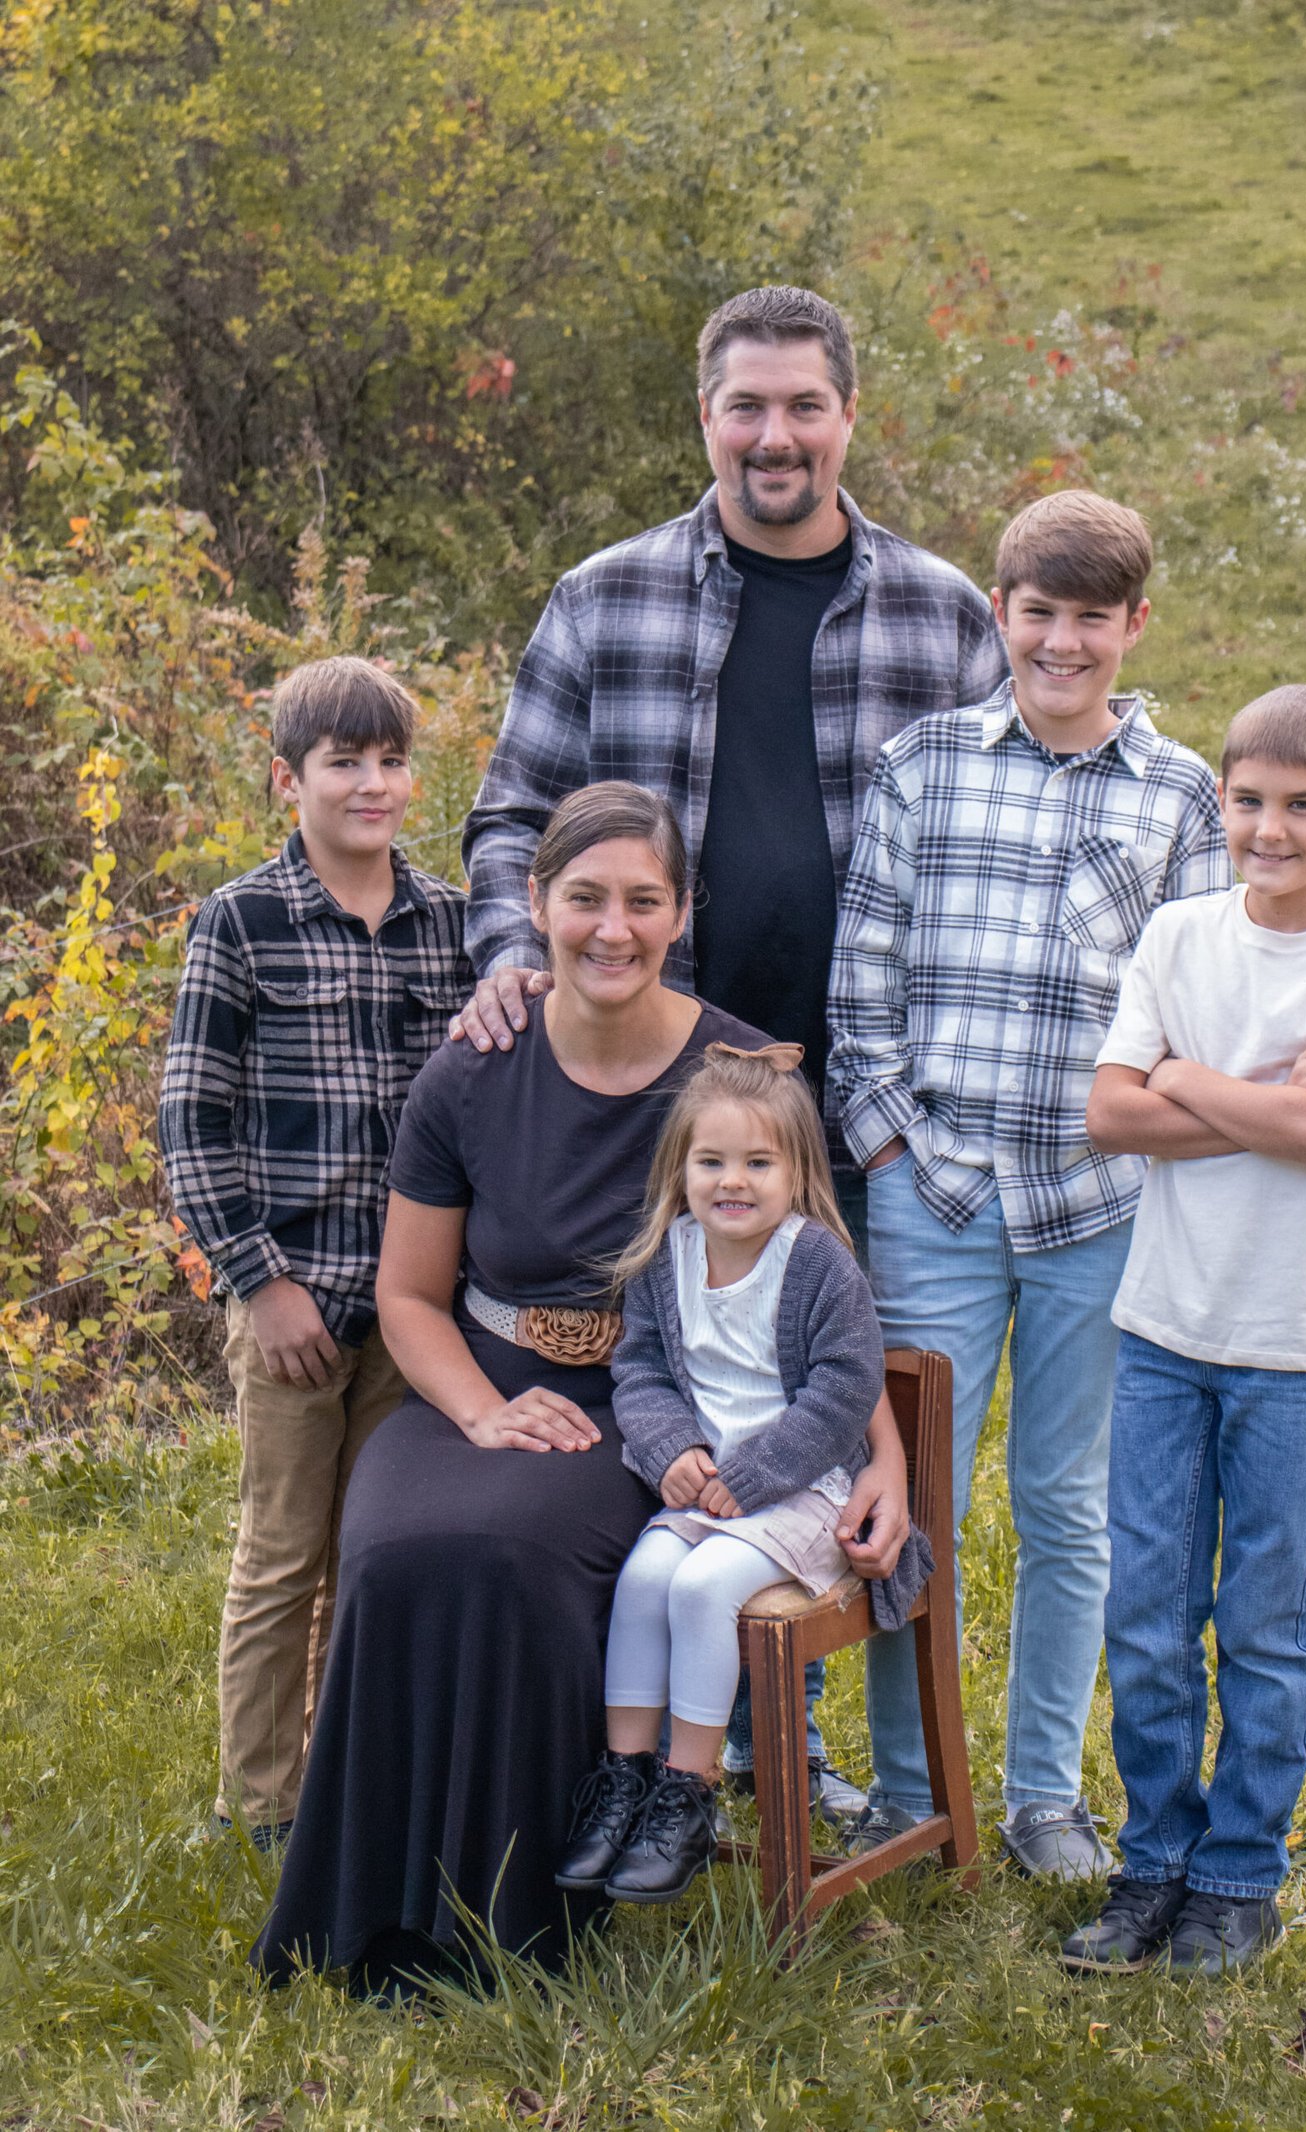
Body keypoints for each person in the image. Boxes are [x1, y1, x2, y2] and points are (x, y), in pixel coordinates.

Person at [453, 283, 1006, 1810]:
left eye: (803, 406)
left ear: (849, 415)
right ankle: (701, 1740)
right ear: (704, 417)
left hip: (880, 1101)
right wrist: (516, 959)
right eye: (745, 407)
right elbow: (508, 817)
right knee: (695, 1394)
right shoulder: (604, 598)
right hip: (669, 1110)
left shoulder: (943, 614)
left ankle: (854, 1759)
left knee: (856, 1405)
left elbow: (1007, 838)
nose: (776, 436)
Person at [249, 784, 909, 1993]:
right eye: (585, 898)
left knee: (514, 1551)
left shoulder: (741, 1076)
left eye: (642, 901)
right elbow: (408, 1295)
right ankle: (372, 1905)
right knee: (397, 1545)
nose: (612, 928)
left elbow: (826, 1285)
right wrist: (481, 1409)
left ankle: (527, 1905)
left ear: (680, 911)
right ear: (537, 904)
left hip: (670, 1408)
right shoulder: (473, 1068)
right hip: (482, 1377)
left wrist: (887, 1455)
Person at [828, 489, 1231, 1879]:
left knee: (1068, 1505)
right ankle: (903, 1782)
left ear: (1133, 628)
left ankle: (1043, 1794)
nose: (1062, 644)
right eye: (1038, 615)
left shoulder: (1179, 800)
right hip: (930, 1196)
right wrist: (889, 1147)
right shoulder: (922, 765)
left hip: (1094, 1209)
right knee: (905, 1504)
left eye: (1091, 621)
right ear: (999, 615)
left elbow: (1197, 1015)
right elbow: (862, 983)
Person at [1064, 685, 1306, 1976]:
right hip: (1164, 1327)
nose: (1269, 830)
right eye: (1249, 801)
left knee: (1262, 1623)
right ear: (1220, 800)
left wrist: (1189, 1081)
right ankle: (1152, 1859)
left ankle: (1238, 1876)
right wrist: (1261, 1097)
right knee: (1147, 1613)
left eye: (1302, 808)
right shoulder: (1176, 934)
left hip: (1296, 1347)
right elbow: (1110, 1116)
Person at [158, 657, 470, 1846]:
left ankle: (342, 1781)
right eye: (344, 762)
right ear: (288, 777)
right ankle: (257, 1805)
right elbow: (192, 1119)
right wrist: (258, 1280)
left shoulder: (447, 923)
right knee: (284, 1552)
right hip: (291, 1294)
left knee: (370, 1550)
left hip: (410, 1302)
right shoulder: (239, 921)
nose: (372, 783)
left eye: (390, 761)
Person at [556, 1047, 929, 1905]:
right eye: (712, 1161)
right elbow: (642, 1372)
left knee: (703, 1587)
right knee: (647, 1576)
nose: (734, 1182)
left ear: (797, 1171)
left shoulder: (817, 1263)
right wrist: (670, 1449)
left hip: (806, 1493)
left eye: (759, 1162)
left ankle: (689, 1795)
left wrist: (755, 1472)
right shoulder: (666, 1257)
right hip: (716, 1491)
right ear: (679, 1169)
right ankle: (624, 1782)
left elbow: (846, 1384)